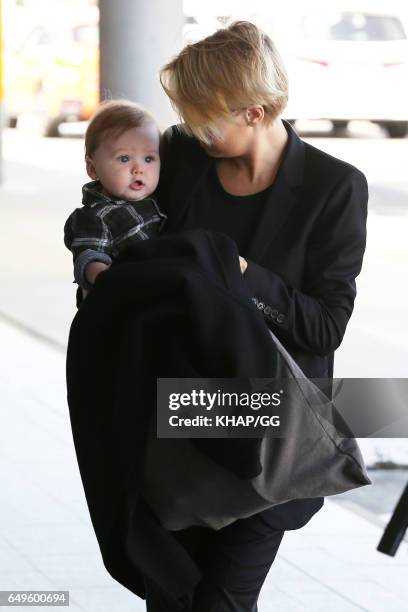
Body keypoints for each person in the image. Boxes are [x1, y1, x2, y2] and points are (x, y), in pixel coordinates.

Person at [145, 19, 368, 611]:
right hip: (181, 419)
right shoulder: (181, 158)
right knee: (169, 596)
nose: (193, 127)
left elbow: (324, 326)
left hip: (269, 430)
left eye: (205, 115)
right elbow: (129, 239)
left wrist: (240, 274)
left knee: (223, 601)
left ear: (255, 111)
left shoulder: (334, 187)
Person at [63, 99, 167, 306]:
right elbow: (90, 257)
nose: (138, 169)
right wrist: (107, 279)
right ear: (93, 169)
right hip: (126, 302)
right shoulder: (94, 216)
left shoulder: (161, 197)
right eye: (124, 158)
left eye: (149, 159)